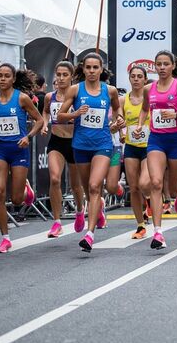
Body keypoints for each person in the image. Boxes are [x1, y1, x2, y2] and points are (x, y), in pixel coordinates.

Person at [56, 53, 124, 252]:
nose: (92, 71)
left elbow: (117, 110)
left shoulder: (110, 90)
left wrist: (118, 121)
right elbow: (60, 116)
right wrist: (75, 114)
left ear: (101, 69)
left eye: (95, 67)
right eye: (88, 67)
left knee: (95, 186)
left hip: (103, 144)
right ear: (83, 69)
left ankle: (89, 234)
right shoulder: (75, 90)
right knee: (88, 190)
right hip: (80, 146)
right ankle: (97, 208)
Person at [137, 50, 177, 250]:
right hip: (156, 140)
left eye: (166, 64)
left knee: (172, 189)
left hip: (176, 141)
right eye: (159, 64)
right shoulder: (148, 89)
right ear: (155, 67)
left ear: (173, 66)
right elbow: (145, 109)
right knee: (155, 183)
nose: (162, 67)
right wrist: (140, 125)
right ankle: (158, 232)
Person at [0, 63, 43, 253]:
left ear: (13, 79)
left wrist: (28, 137)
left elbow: (40, 120)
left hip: (18, 150)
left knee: (15, 199)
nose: (3, 79)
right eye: (0, 76)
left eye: (7, 76)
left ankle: (26, 190)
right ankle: (5, 238)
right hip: (0, 150)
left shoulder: (22, 98)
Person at [41, 62, 86, 238]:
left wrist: (76, 117)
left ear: (72, 76)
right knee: (54, 179)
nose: (60, 78)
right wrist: (45, 124)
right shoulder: (49, 96)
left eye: (64, 75)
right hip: (56, 141)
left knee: (76, 185)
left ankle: (80, 210)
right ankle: (57, 222)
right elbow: (45, 112)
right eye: (58, 74)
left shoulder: (78, 96)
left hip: (75, 142)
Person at [121, 64, 150, 238]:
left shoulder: (151, 98)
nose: (136, 79)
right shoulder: (123, 100)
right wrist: (121, 131)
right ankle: (140, 225)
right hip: (131, 146)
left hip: (149, 147)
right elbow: (119, 120)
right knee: (133, 188)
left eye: (140, 76)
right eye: (133, 76)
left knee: (144, 183)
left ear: (145, 79)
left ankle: (151, 199)